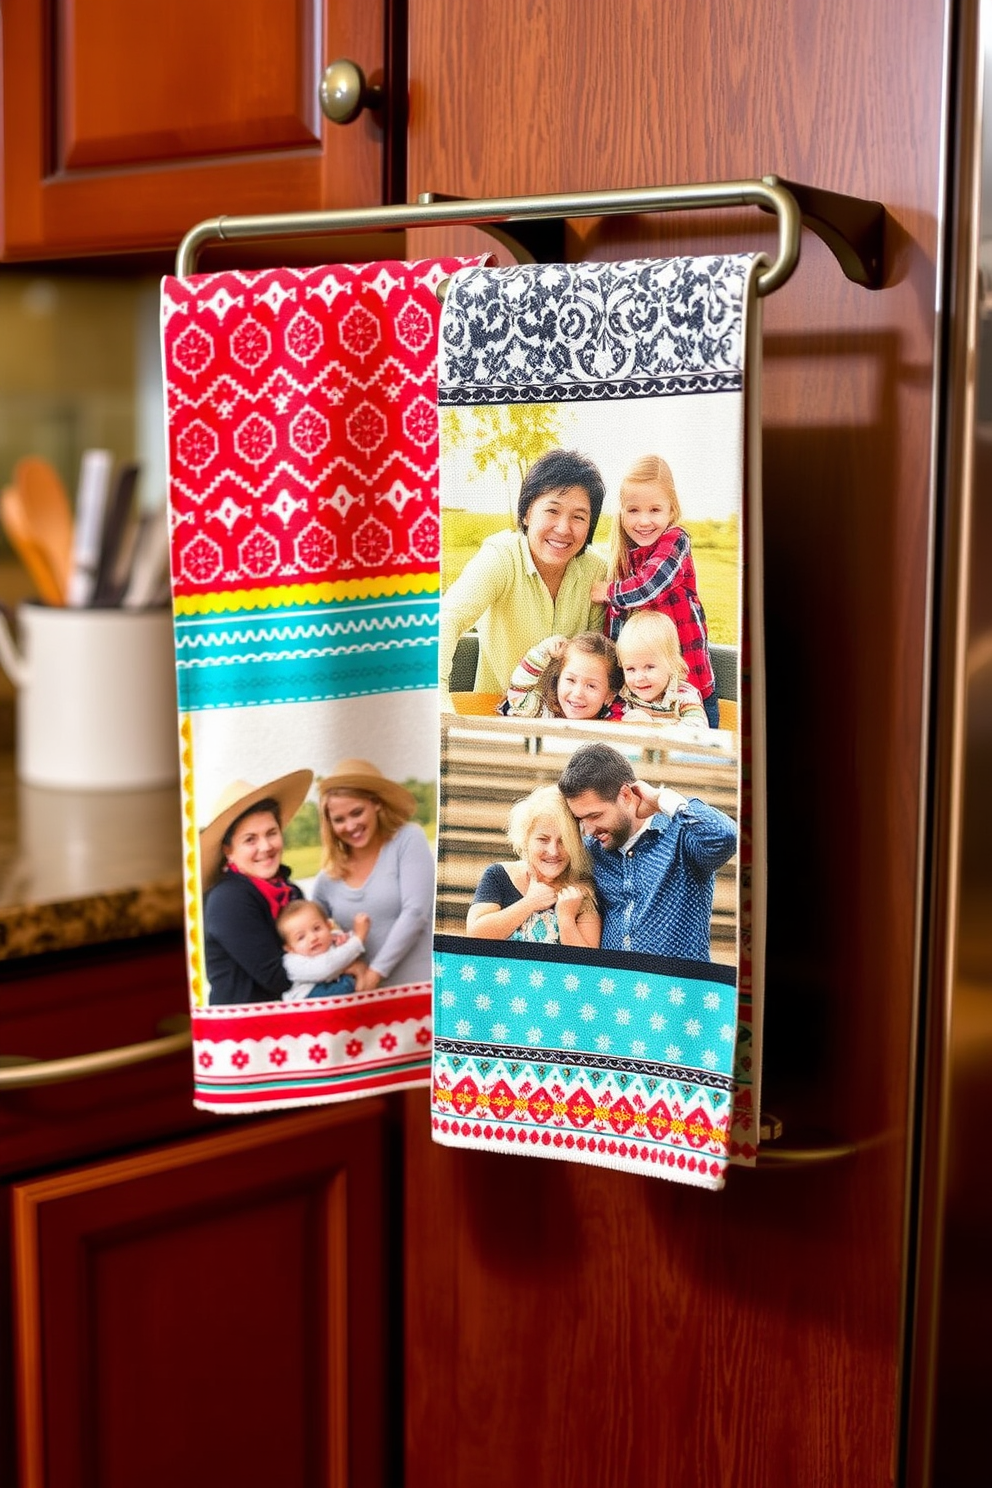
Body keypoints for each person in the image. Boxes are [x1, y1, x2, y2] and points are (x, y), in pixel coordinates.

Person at [438, 448, 608, 707]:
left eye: (578, 517)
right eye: (552, 511)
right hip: (498, 716)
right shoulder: (500, 557)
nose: (563, 528)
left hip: (571, 723)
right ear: (528, 513)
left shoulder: (596, 571)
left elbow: (601, 656)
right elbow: (447, 618)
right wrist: (436, 700)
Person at [558, 742, 736, 961]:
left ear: (625, 795)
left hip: (677, 989)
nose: (588, 830)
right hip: (616, 989)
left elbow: (725, 836)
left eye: (595, 816)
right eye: (580, 819)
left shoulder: (681, 835)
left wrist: (662, 799)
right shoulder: (593, 851)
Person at [591, 455, 720, 727]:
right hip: (641, 695)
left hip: (688, 690)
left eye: (655, 510)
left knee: (693, 755)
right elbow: (617, 632)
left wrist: (610, 592)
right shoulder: (624, 558)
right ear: (622, 512)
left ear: (671, 511)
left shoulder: (675, 541)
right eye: (633, 510)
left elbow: (650, 585)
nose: (644, 521)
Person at [311, 759, 435, 989]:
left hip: (421, 990)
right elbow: (312, 935)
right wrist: (351, 964)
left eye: (357, 812)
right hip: (364, 1002)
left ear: (376, 803)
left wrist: (375, 972)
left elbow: (416, 912)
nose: (350, 826)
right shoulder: (326, 880)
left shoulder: (407, 840)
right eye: (339, 819)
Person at [199, 770, 315, 1006]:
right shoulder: (228, 900)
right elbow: (277, 978)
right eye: (250, 839)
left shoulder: (291, 891)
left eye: (271, 833)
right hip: (244, 1033)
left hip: (288, 1029)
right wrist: (343, 964)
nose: (265, 847)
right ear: (228, 850)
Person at [467, 784, 601, 946]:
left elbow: (587, 966)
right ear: (526, 839)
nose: (553, 851)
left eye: (563, 841)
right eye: (543, 840)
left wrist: (566, 919)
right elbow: (475, 936)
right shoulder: (498, 875)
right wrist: (530, 903)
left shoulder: (582, 891)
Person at [498, 631, 625, 721]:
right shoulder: (544, 714)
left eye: (591, 686)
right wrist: (544, 650)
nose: (577, 693)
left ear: (610, 695)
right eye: (570, 680)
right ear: (558, 678)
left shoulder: (615, 724)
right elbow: (517, 696)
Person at [615, 610, 708, 726]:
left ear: (672, 663)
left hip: (673, 743)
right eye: (630, 669)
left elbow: (698, 729)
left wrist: (652, 727)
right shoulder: (626, 694)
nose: (639, 678)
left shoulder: (684, 696)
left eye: (649, 667)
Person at [276, 900, 370, 1002]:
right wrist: (359, 938)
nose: (313, 938)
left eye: (317, 928)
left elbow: (343, 946)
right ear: (290, 948)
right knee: (347, 986)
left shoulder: (329, 940)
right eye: (301, 937)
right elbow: (325, 968)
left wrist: (345, 937)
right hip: (307, 999)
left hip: (330, 988)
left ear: (328, 926)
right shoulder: (292, 961)